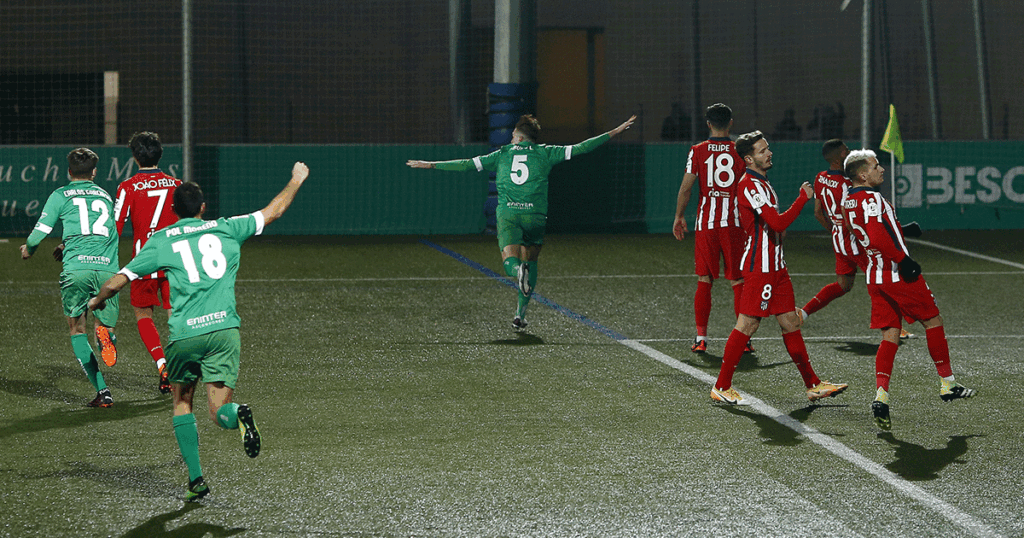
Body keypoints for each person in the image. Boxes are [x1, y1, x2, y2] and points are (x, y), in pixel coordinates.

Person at [89, 162, 310, 501]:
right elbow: (273, 211)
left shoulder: (162, 240)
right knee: (219, 411)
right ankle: (237, 414)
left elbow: (120, 279)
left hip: (186, 336)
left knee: (182, 402)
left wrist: (97, 300)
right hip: (225, 332)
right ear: (203, 208)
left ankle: (196, 480)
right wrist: (295, 179)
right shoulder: (227, 228)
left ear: (174, 210)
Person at [407, 114, 636, 329]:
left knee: (511, 261)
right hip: (535, 216)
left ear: (518, 137)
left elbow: (466, 164)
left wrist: (432, 164)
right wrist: (614, 131)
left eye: (512, 136)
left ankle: (518, 272)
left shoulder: (502, 154)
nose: (510, 139)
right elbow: (582, 147)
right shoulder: (546, 152)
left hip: (509, 214)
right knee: (531, 261)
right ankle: (520, 315)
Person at [710, 131, 848, 405]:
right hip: (760, 268)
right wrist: (802, 198)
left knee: (790, 322)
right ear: (749, 159)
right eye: (762, 150)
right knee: (747, 324)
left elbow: (774, 227)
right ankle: (721, 386)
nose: (769, 153)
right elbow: (777, 223)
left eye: (768, 148)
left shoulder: (763, 183)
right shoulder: (749, 184)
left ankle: (813, 385)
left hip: (776, 267)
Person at [841, 149, 974, 430]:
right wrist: (903, 260)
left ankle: (881, 395)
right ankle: (948, 383)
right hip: (896, 273)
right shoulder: (872, 198)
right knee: (933, 320)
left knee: (890, 334)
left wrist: (900, 230)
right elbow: (877, 235)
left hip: (875, 275)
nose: (881, 169)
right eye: (875, 166)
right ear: (862, 175)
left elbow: (865, 235)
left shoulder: (848, 201)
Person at [19, 148, 120, 408]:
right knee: (105, 325)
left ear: (69, 171)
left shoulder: (60, 195)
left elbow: (40, 231)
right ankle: (106, 335)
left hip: (77, 269)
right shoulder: (105, 196)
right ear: (94, 172)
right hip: (107, 270)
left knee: (77, 330)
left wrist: (29, 249)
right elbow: (107, 231)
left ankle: (103, 392)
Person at [797, 139, 914, 339]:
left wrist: (835, 230)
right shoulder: (847, 184)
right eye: (846, 151)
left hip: (838, 239)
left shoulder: (820, 178)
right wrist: (859, 235)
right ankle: (892, 324)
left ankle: (803, 313)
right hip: (853, 239)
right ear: (837, 159)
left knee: (844, 285)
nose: (849, 152)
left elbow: (817, 213)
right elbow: (848, 213)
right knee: (880, 278)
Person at [672, 103, 753, 354]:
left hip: (706, 224)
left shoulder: (697, 150)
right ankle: (744, 339)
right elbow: (751, 187)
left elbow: (686, 187)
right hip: (734, 224)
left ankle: (701, 338)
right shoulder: (740, 151)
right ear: (731, 123)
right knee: (738, 280)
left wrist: (679, 216)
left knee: (704, 279)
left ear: (708, 124)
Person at [113, 131, 183, 394]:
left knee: (143, 314)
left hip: (143, 262)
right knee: (176, 315)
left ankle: (162, 364)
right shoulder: (177, 185)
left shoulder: (128, 187)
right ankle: (178, 366)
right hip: (174, 261)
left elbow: (115, 227)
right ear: (160, 154)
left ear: (135, 157)